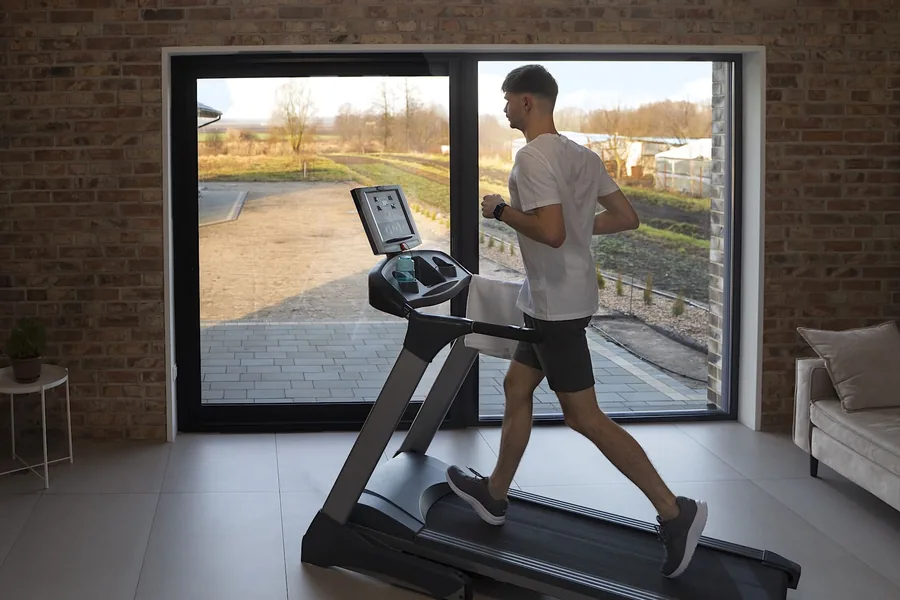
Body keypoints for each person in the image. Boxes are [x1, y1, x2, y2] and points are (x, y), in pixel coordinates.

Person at [445, 64, 708, 579]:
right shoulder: (582, 156)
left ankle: (675, 512)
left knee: (584, 417)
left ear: (527, 101)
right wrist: (576, 229)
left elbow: (551, 232)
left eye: (507, 99)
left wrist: (498, 210)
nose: (503, 107)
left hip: (556, 309)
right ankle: (495, 494)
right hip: (557, 297)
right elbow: (625, 217)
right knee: (516, 385)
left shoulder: (531, 157)